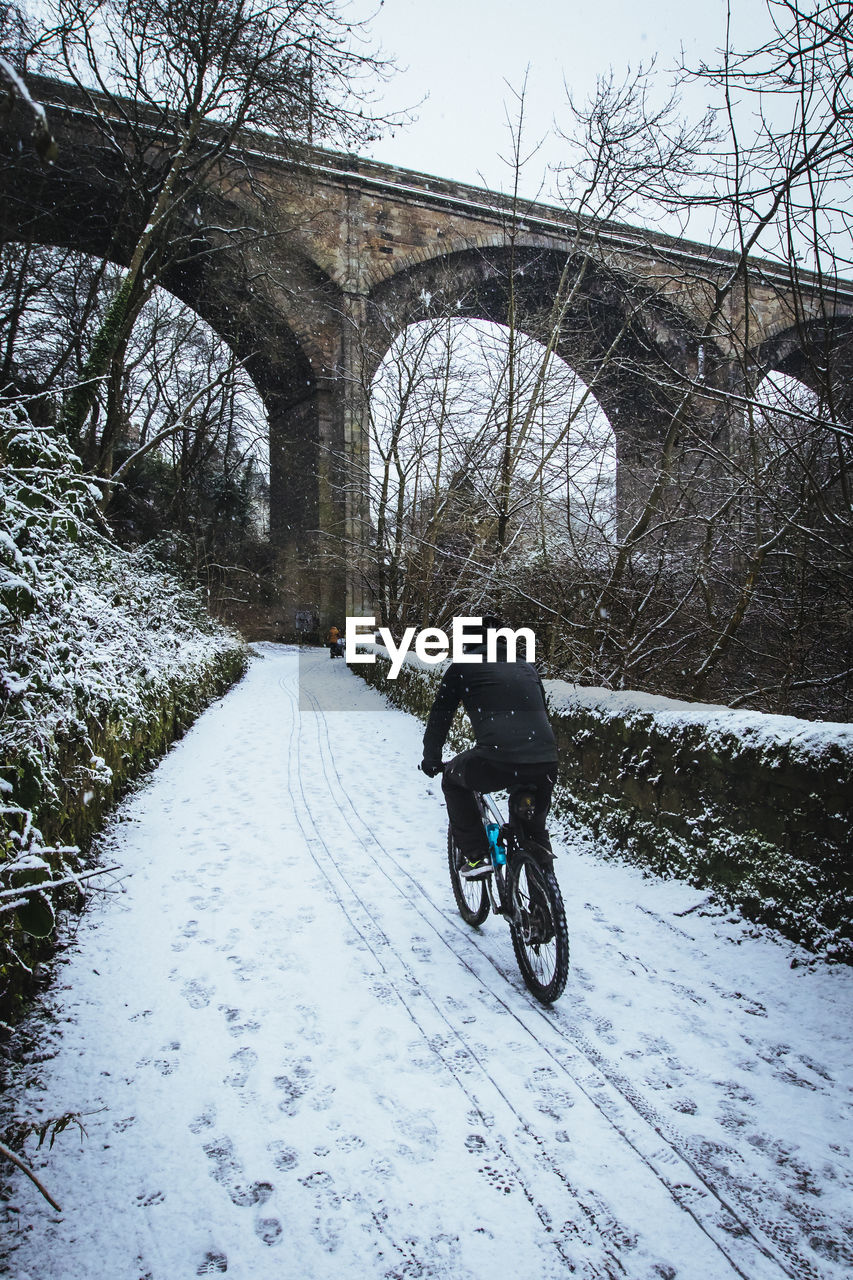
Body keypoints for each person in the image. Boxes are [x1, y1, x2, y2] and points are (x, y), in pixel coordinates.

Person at [420, 617, 558, 878]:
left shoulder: (462, 667)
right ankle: (545, 899)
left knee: (452, 780)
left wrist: (432, 759)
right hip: (545, 761)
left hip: (497, 759)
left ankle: (476, 855)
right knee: (532, 829)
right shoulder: (526, 666)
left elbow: (440, 717)